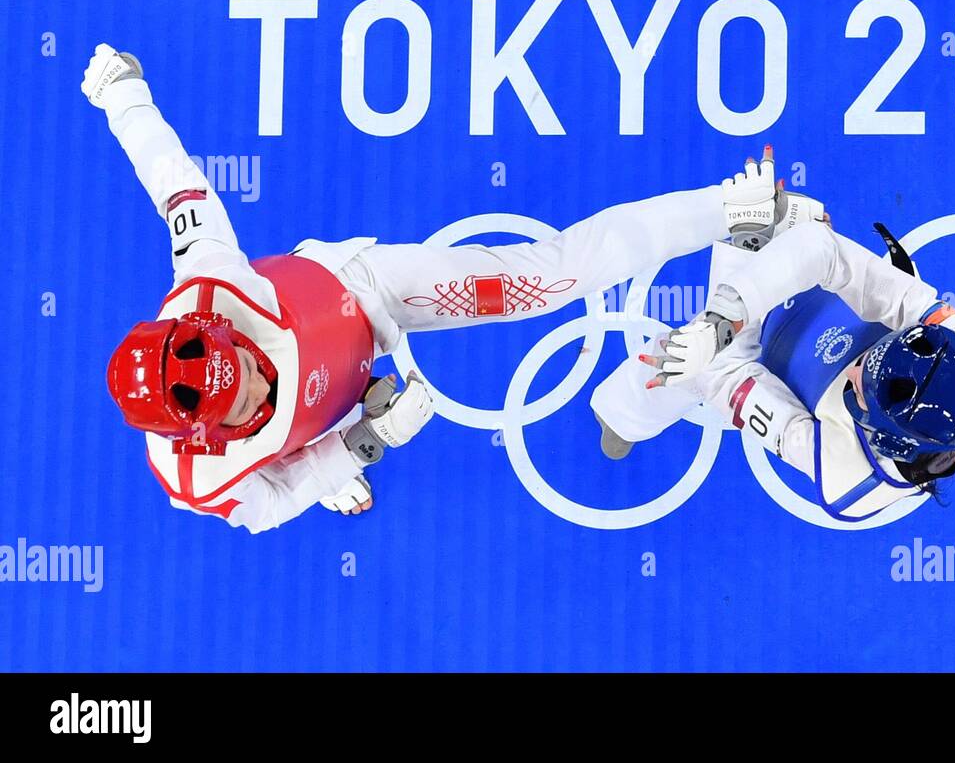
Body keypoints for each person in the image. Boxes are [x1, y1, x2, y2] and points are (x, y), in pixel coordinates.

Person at [83, 44, 818, 533]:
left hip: (360, 293)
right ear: (207, 429)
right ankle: (339, 452)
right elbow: (268, 505)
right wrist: (362, 442)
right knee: (317, 473)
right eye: (238, 392)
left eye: (237, 355)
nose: (250, 370)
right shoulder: (199, 475)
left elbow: (174, 180)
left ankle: (730, 210)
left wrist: (125, 96)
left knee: (550, 276)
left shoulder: (211, 283)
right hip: (328, 420)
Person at [591, 148, 955, 524]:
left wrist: (742, 247)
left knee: (682, 362)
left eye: (860, 385)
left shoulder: (848, 481)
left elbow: (727, 375)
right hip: (850, 312)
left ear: (884, 437)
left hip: (778, 356)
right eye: (871, 363)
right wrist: (767, 255)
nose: (852, 367)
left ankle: (622, 420)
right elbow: (826, 256)